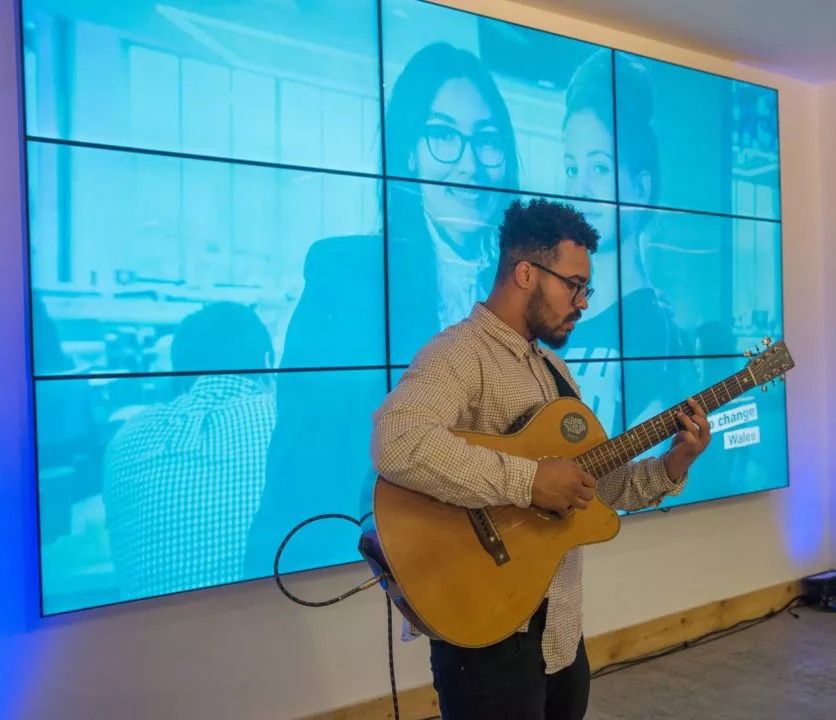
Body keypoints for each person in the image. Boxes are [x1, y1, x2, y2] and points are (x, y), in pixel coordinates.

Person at [371, 198, 711, 719]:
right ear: (526, 272)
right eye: (573, 285)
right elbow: (397, 439)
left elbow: (598, 486)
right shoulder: (460, 353)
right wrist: (530, 482)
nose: (583, 301)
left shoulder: (554, 369)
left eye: (586, 287)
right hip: (485, 634)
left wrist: (674, 465)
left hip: (560, 632)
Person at [244, 41, 520, 576]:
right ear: (410, 152)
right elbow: (302, 466)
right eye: (443, 136)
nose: (469, 163)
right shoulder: (350, 273)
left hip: (507, 552)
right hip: (388, 559)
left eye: (488, 142)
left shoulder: (524, 286)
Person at [103, 302, 276, 600]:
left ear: (178, 370)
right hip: (278, 629)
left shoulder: (125, 439)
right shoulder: (280, 417)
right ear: (267, 361)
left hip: (142, 638)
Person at [561, 50, 696, 429]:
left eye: (600, 167)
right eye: (571, 168)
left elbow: (640, 478)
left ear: (640, 188)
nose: (580, 188)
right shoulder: (553, 313)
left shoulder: (655, 331)